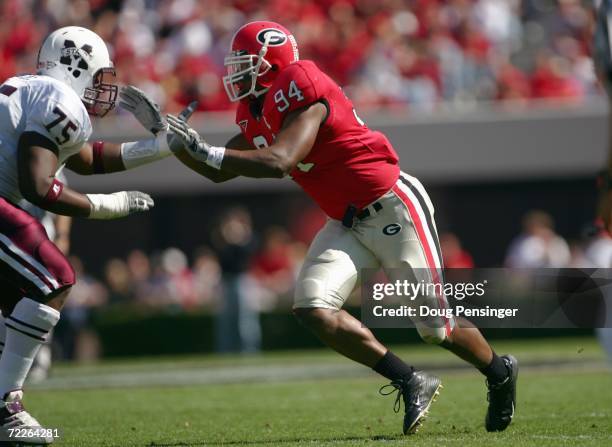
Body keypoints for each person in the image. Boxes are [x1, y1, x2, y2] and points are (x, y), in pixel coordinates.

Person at [167, 21, 518, 435]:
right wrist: (175, 146)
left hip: (393, 207)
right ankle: (410, 380)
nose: (236, 74)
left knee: (435, 328)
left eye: (245, 64)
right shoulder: (255, 110)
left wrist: (205, 150)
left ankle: (499, 373)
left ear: (272, 62)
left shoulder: (302, 83)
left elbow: (280, 160)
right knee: (313, 307)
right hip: (346, 222)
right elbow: (218, 172)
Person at [0, 26, 193, 444]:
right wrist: (107, 206)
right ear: (75, 64)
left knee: (14, 298)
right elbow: (38, 186)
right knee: (54, 276)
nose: (103, 89)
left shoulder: (29, 86)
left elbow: (84, 160)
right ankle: (5, 410)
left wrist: (158, 147)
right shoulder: (59, 98)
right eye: (99, 76)